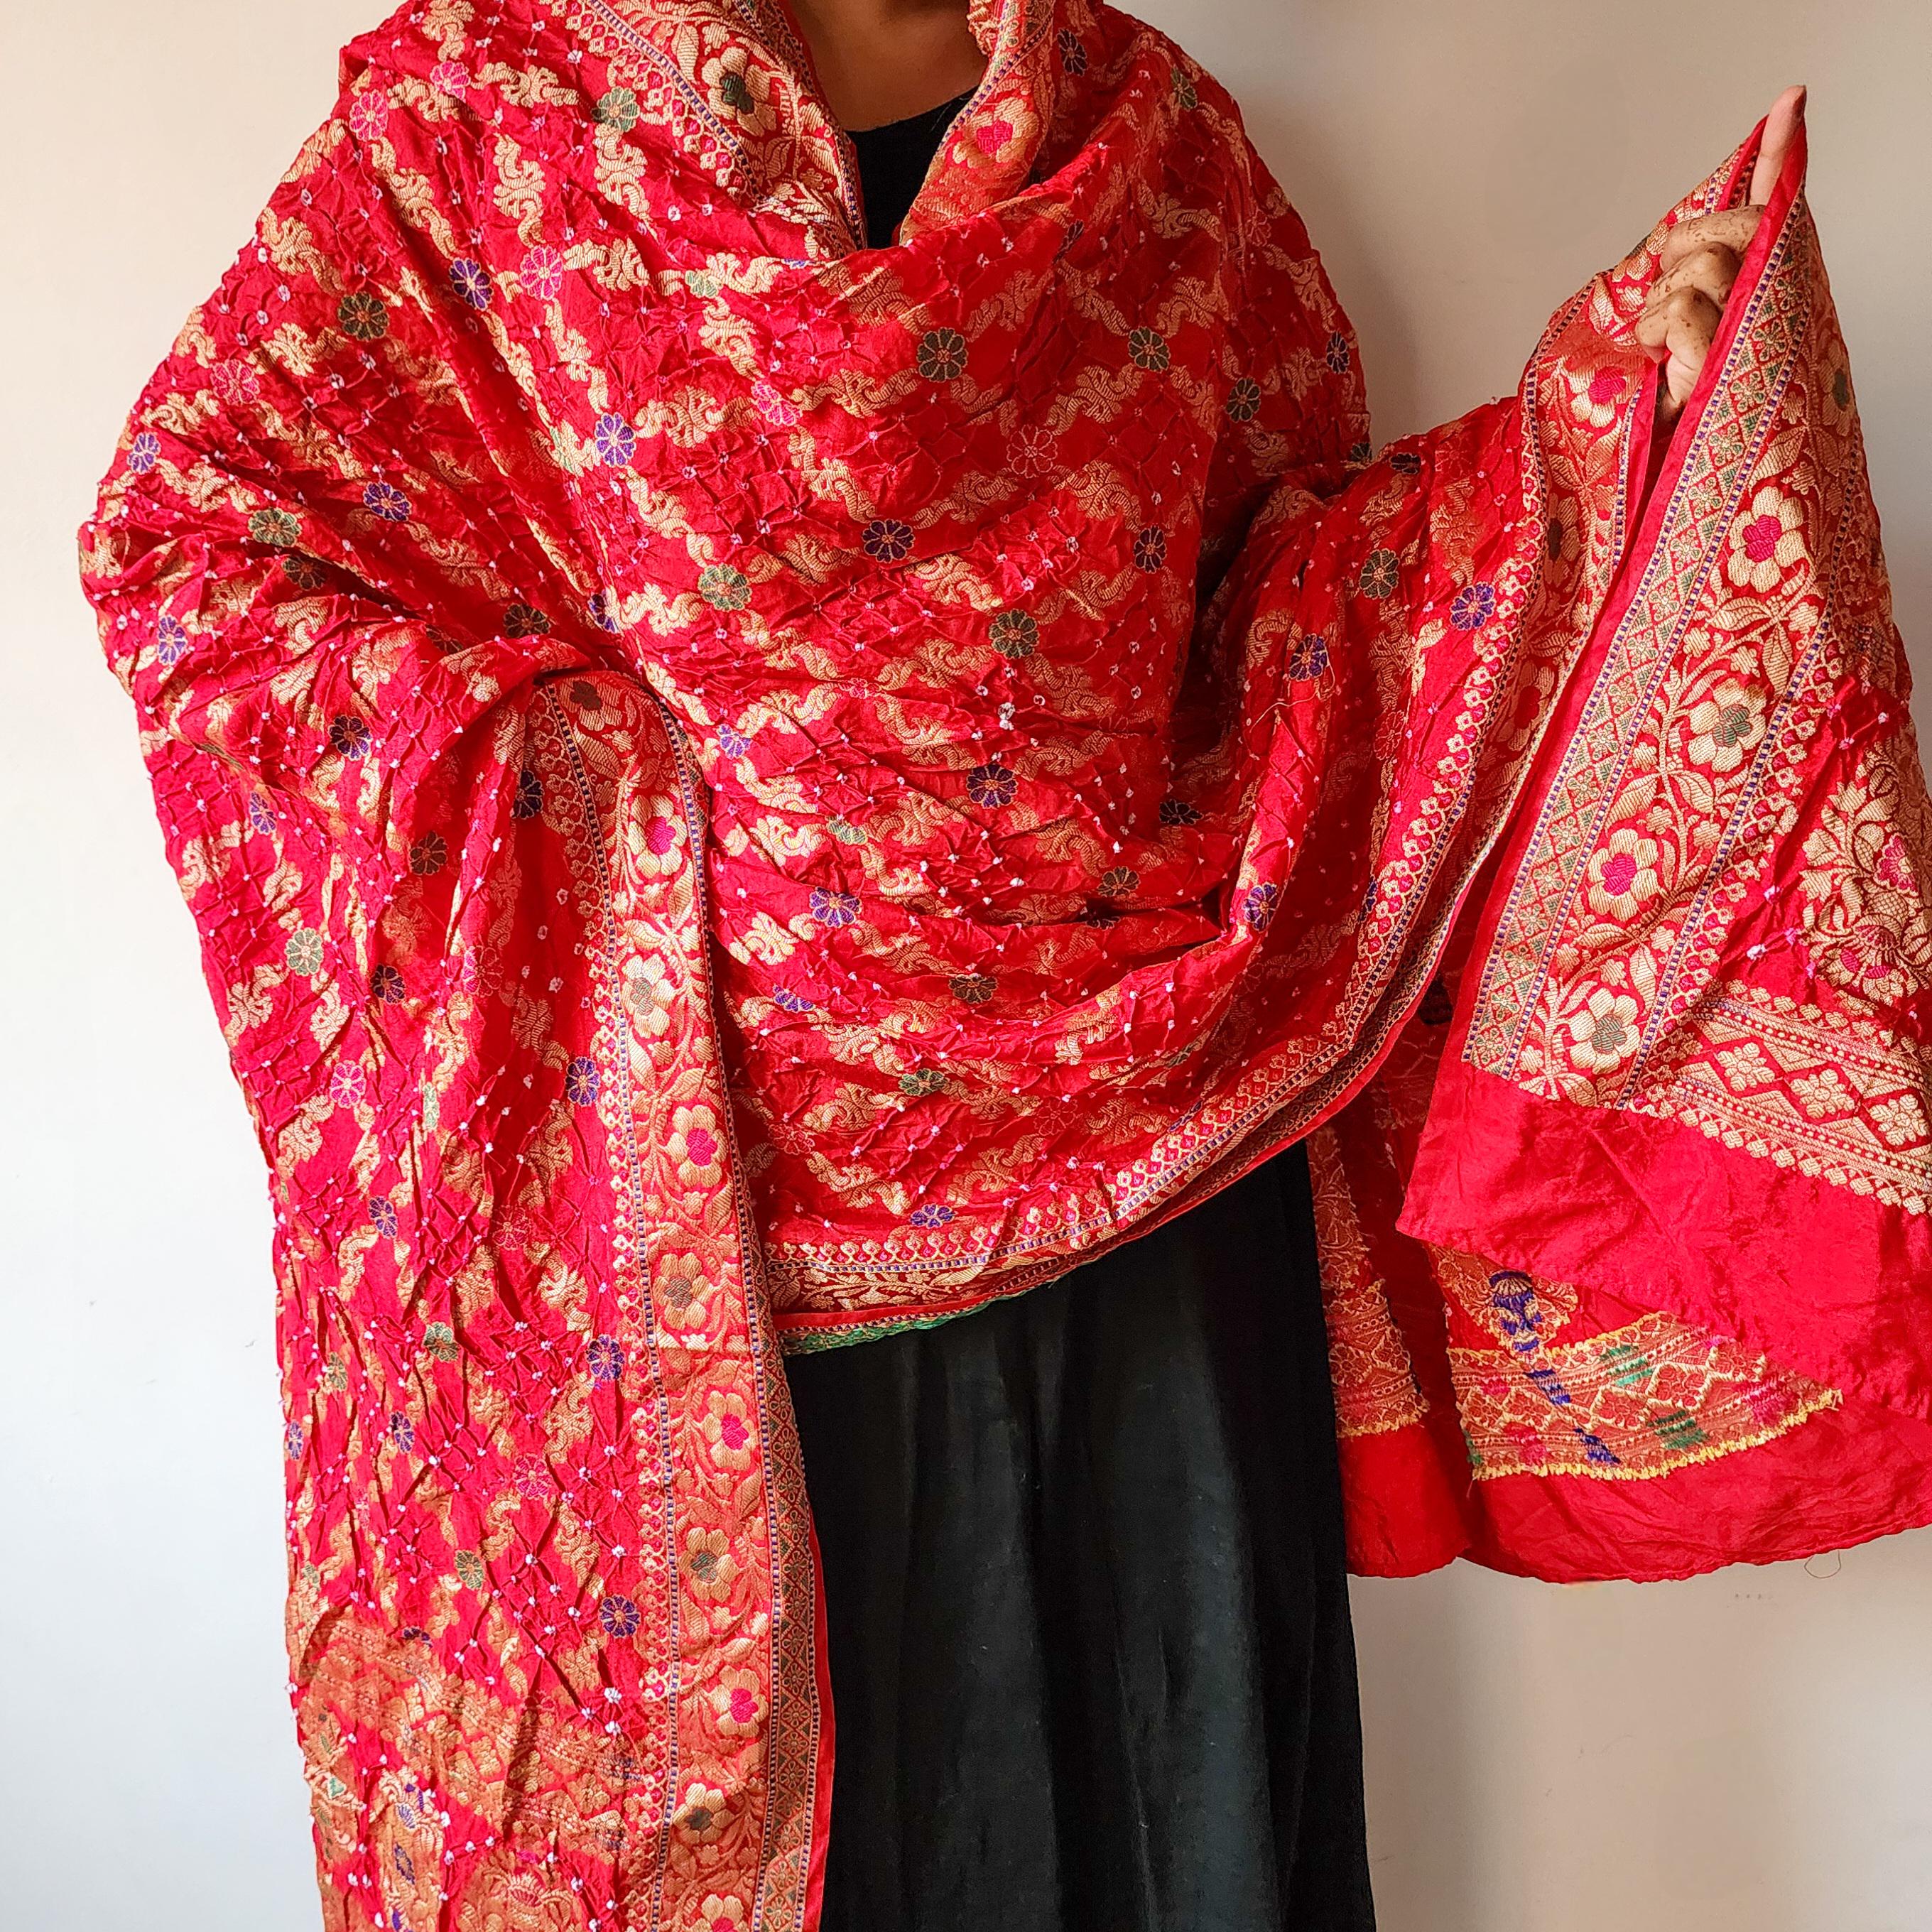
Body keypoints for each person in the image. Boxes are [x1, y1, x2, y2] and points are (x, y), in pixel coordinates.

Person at [80, 1, 1930, 1928]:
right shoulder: (487, 141)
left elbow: (1281, 623)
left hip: (1160, 1263)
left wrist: (1591, 423)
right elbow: (199, 558)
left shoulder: (1156, 153)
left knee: (1181, 1841)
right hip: (732, 1308)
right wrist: (649, 842)